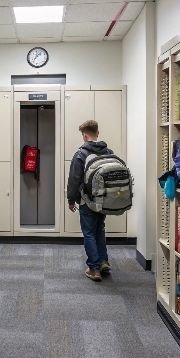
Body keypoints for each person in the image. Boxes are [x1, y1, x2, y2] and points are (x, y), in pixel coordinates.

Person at [67, 120, 113, 282]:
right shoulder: (108, 152)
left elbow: (74, 179)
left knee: (89, 233)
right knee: (99, 228)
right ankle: (103, 261)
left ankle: (94, 269)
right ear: (98, 133)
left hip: (87, 200)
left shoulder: (81, 154)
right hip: (105, 200)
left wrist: (71, 200)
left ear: (85, 136)